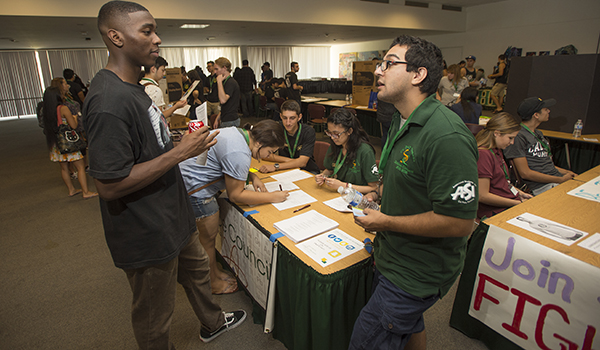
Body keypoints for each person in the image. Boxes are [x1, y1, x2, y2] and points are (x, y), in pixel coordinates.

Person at [82, 2, 245, 347]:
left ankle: (213, 323)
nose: (157, 39)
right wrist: (179, 153)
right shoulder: (108, 101)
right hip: (146, 229)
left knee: (199, 274)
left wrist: (179, 143)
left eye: (155, 31)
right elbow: (109, 184)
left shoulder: (133, 89)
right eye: (147, 31)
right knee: (155, 314)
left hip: (173, 214)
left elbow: (146, 146)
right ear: (115, 37)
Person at [350, 35, 478, 350]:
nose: (378, 72)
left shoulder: (446, 135)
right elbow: (389, 169)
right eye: (381, 64)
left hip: (415, 273)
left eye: (389, 64)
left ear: (418, 75)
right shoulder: (399, 119)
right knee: (408, 330)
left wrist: (385, 222)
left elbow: (460, 223)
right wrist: (379, 190)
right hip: (391, 255)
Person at [179, 120, 289, 294]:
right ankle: (212, 282)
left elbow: (228, 163)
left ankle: (214, 272)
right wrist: (272, 197)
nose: (269, 155)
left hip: (188, 181)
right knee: (207, 241)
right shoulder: (239, 152)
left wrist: (252, 177)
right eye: (271, 151)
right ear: (259, 143)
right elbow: (236, 195)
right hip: (196, 191)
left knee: (208, 241)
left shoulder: (238, 133)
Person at [503, 97, 576, 195]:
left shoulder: (538, 134)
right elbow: (525, 173)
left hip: (555, 179)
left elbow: (546, 165)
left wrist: (567, 172)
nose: (548, 111)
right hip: (541, 186)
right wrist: (560, 179)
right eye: (545, 109)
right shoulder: (518, 136)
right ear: (536, 115)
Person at [43, 79, 97, 199]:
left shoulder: (47, 110)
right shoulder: (63, 108)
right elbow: (73, 125)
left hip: (56, 144)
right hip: (69, 142)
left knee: (64, 168)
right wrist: (74, 118)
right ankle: (85, 191)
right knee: (80, 167)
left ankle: (71, 189)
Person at [475, 112, 532, 220]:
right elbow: (482, 195)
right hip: (495, 212)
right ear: (497, 133)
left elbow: (503, 182)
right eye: (510, 138)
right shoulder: (484, 155)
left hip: (508, 203)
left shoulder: (497, 150)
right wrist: (517, 203)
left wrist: (520, 193)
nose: (512, 142)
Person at [315, 108, 378, 194]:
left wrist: (344, 186)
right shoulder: (336, 144)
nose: (332, 137)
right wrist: (323, 175)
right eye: (329, 133)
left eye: (336, 134)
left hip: (358, 197)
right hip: (339, 194)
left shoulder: (365, 151)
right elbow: (330, 169)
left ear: (349, 131)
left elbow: (374, 187)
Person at [259, 100, 320, 174]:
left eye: (292, 118)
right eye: (285, 118)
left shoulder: (308, 132)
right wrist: (292, 161)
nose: (288, 123)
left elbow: (303, 163)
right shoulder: (278, 129)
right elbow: (263, 154)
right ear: (281, 116)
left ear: (299, 117)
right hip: (285, 168)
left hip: (307, 170)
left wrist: (275, 166)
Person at [213, 57, 241, 128]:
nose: (215, 72)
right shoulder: (225, 82)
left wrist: (219, 82)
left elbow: (223, 100)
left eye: (217, 69)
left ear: (224, 68)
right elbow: (225, 106)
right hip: (225, 119)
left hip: (230, 121)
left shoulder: (231, 82)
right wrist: (217, 119)